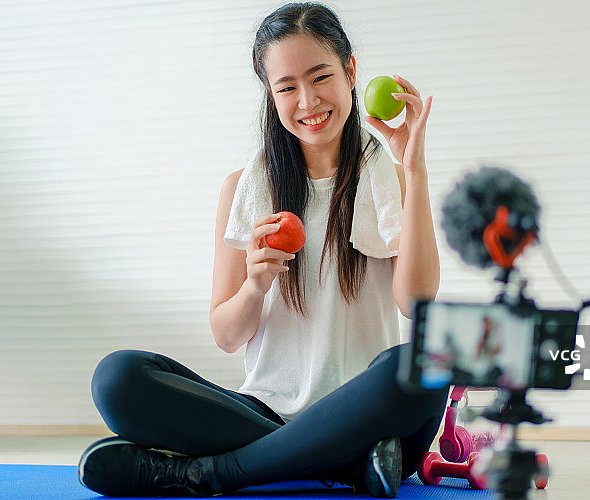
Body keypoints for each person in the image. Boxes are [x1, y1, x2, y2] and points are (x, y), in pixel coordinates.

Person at [77, 3, 446, 497]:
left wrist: (414, 170)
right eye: (287, 87)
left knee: (424, 361)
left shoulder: (390, 177)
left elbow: (416, 302)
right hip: (267, 407)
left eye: (321, 77)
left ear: (351, 71)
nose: (308, 100)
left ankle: (207, 474)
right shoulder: (244, 188)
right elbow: (227, 335)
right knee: (117, 378)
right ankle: (345, 467)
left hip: (367, 411)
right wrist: (254, 285)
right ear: (270, 94)